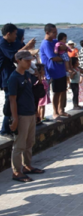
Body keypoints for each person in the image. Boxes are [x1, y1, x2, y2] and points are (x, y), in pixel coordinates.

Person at [8, 51, 45, 182]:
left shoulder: (27, 76)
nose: (30, 62)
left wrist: (35, 112)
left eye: (30, 60)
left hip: (30, 113)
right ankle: (16, 171)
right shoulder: (14, 78)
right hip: (22, 115)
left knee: (30, 142)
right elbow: (12, 99)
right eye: (27, 60)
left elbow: (31, 95)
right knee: (19, 144)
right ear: (19, 60)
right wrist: (15, 118)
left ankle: (27, 165)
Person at [0, 25, 35, 137]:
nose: (17, 36)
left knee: (20, 100)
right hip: (7, 77)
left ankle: (14, 127)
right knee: (10, 102)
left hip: (18, 75)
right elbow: (15, 56)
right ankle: (5, 130)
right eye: (15, 34)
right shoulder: (2, 43)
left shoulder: (14, 42)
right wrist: (27, 47)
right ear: (8, 34)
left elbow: (23, 52)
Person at [39, 24, 69, 119]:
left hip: (61, 71)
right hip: (53, 72)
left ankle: (61, 110)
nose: (56, 34)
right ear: (47, 32)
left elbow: (64, 46)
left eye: (56, 31)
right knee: (56, 92)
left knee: (63, 91)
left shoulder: (55, 41)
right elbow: (53, 58)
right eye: (54, 32)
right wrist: (64, 59)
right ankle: (55, 112)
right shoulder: (45, 44)